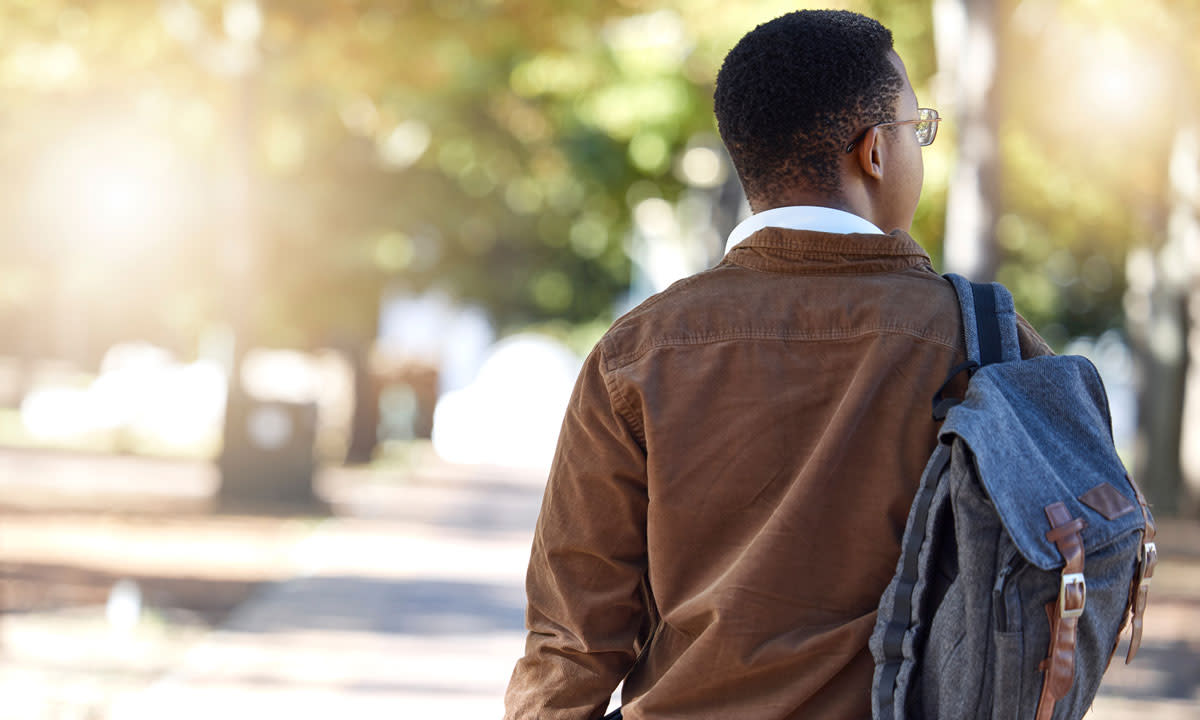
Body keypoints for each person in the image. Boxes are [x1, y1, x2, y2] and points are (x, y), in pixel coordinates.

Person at [504, 9, 1050, 720]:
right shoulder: (983, 341)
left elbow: (571, 642)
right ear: (875, 152)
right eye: (917, 129)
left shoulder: (636, 353)